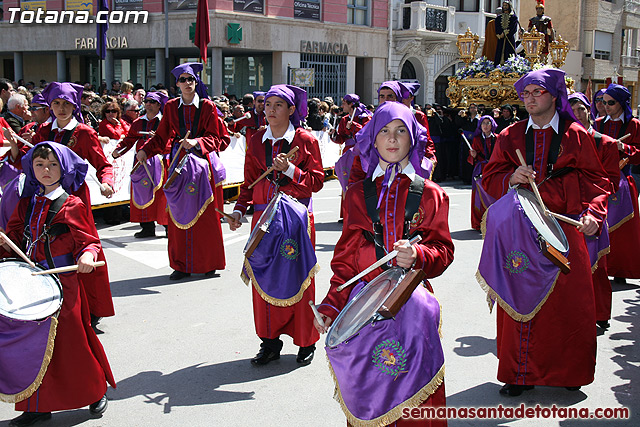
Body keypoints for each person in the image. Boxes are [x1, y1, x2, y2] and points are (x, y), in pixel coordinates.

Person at [315, 102, 454, 426]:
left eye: (401, 131)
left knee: (415, 397)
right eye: (384, 132)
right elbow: (346, 264)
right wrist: (331, 306)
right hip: (364, 310)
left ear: (413, 139)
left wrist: (419, 256)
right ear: (373, 140)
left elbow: (443, 250)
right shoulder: (356, 195)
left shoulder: (431, 194)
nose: (392, 139)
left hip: (412, 308)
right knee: (369, 395)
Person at [481, 68, 610, 396]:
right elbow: (489, 176)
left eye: (536, 92)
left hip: (566, 229)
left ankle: (570, 372)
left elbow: (597, 181)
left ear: (554, 95)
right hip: (521, 230)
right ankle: (517, 373)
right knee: (517, 300)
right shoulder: (509, 135)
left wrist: (594, 214)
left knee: (569, 304)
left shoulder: (576, 135)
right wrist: (511, 177)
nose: (529, 98)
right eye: (524, 93)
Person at [0, 142, 115, 427]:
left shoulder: (72, 203)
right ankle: (37, 406)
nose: (46, 170)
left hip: (64, 283)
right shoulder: (26, 203)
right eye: (39, 165)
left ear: (62, 168)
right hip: (31, 283)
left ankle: (94, 391)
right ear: (31, 169)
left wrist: (87, 255)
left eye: (52, 165)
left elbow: (89, 241)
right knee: (32, 345)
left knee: (72, 341)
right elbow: (13, 236)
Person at [226, 84, 324, 366]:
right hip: (264, 221)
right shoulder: (256, 140)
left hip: (295, 222)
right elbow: (248, 183)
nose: (270, 110)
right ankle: (269, 342)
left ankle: (306, 341)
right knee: (263, 278)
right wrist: (238, 210)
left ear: (292, 110)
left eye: (277, 105)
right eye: (267, 104)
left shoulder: (305, 141)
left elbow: (316, 182)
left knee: (301, 280)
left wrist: (290, 169)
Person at [28, 82, 116, 325]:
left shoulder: (85, 133)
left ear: (74, 105)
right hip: (45, 199)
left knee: (84, 249)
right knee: (49, 249)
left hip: (74, 200)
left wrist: (106, 181)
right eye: (56, 103)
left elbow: (103, 165)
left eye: (66, 104)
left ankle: (92, 308)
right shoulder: (43, 131)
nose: (61, 108)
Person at [136, 62, 229, 280]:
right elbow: (160, 137)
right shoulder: (169, 107)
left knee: (205, 214)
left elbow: (217, 138)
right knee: (177, 213)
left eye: (191, 80)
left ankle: (209, 263)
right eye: (183, 80)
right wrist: (145, 151)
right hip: (178, 163)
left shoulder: (207, 107)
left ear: (196, 83)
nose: (187, 84)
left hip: (201, 165)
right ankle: (181, 265)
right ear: (177, 84)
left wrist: (197, 141)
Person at [569, 92, 619, 330]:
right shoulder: (564, 142)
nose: (577, 115)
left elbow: (610, 182)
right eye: (572, 111)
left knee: (597, 267)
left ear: (590, 110)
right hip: (567, 212)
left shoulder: (605, 143)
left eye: (581, 109)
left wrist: (594, 208)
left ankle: (600, 313)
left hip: (594, 210)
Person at [596, 84, 640, 281]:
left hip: (623, 183)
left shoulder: (634, 125)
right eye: (603, 102)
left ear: (621, 103)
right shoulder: (597, 124)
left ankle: (621, 270)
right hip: (599, 182)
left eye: (610, 103)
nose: (605, 106)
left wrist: (624, 147)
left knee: (623, 230)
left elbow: (639, 155)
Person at [114, 91, 169, 238]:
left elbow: (171, 143)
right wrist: (118, 151)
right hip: (141, 164)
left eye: (152, 102)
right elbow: (129, 140)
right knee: (141, 192)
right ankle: (147, 227)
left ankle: (167, 226)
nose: (148, 104)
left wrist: (157, 140)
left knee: (162, 195)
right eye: (147, 101)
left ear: (159, 105)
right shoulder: (138, 122)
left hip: (161, 164)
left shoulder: (165, 122)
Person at [467, 115, 498, 230]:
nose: (485, 126)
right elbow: (472, 158)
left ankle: (494, 221)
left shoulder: (498, 138)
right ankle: (478, 223)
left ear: (492, 125)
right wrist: (473, 156)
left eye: (488, 123)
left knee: (493, 194)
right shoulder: (477, 139)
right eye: (483, 123)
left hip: (493, 169)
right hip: (480, 169)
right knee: (478, 197)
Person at [494, 1, 519, 65]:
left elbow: (513, 28)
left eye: (506, 6)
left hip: (509, 38)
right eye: (504, 5)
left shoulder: (513, 18)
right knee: (499, 52)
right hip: (501, 39)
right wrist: (500, 34)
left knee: (510, 53)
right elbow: (497, 26)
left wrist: (507, 33)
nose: (505, 7)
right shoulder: (498, 18)